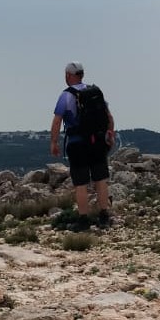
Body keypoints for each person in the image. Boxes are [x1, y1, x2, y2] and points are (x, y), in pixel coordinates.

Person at [50, 61, 116, 226]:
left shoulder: (66, 96)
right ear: (82, 75)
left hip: (77, 144)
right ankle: (104, 216)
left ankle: (83, 219)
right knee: (100, 180)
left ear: (68, 75)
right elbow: (109, 117)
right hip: (98, 142)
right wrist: (110, 134)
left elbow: (57, 121)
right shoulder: (94, 92)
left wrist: (54, 142)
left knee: (81, 184)